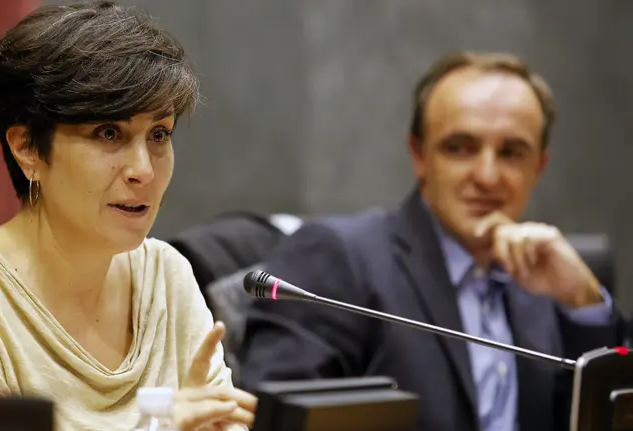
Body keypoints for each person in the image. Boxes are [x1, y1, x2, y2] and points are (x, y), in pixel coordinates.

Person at [0, 2, 255, 430]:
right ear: (28, 148)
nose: (143, 169)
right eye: (109, 133)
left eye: (159, 134)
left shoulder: (165, 276)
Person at [238, 51, 627, 431]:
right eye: (460, 148)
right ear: (419, 155)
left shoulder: (545, 280)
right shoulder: (337, 256)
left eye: (511, 152)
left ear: (539, 166)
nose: (487, 176)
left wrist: (584, 302)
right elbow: (276, 418)